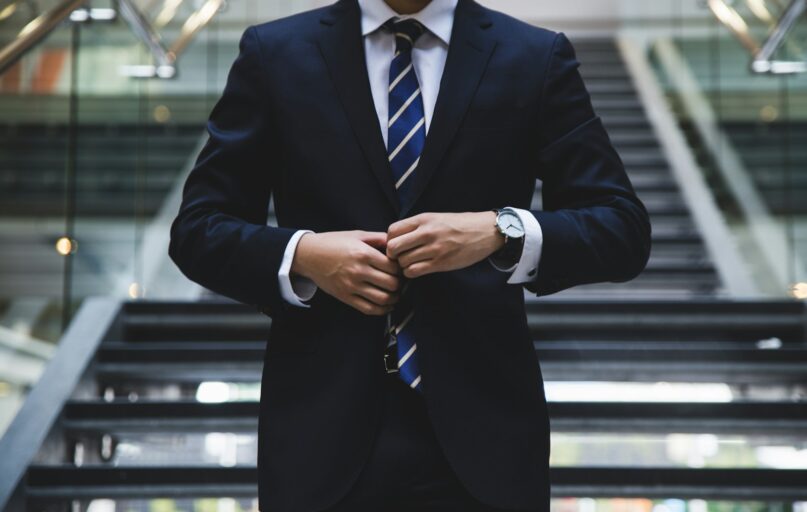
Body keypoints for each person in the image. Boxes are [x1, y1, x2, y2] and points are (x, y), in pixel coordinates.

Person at [168, 0, 651, 510]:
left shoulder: (533, 56)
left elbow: (622, 228)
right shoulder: (275, 53)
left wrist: (500, 229)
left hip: (487, 441)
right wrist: (304, 255)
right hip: (320, 437)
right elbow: (198, 229)